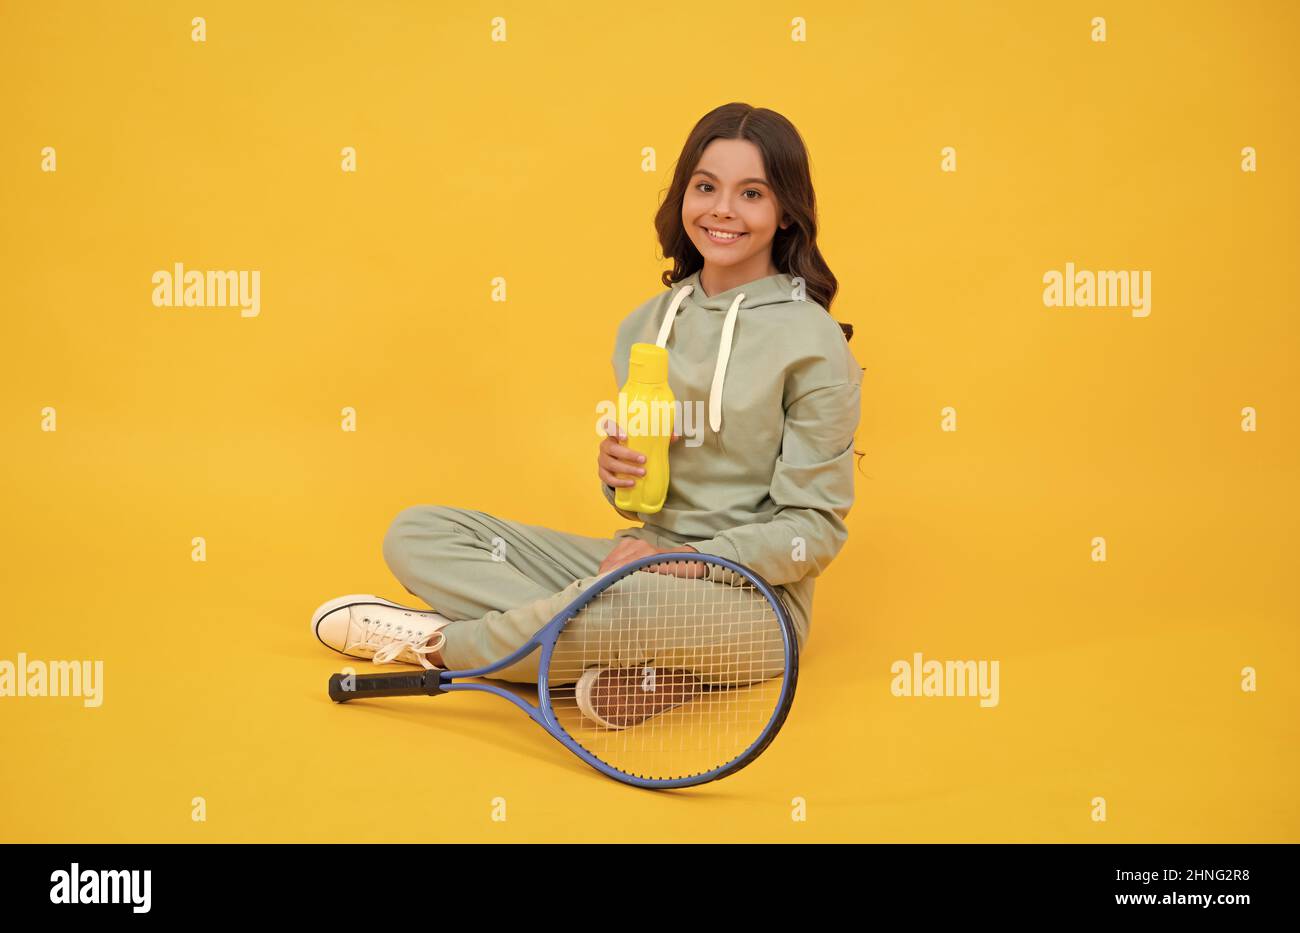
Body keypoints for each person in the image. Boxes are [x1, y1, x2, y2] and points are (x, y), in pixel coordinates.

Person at [311, 102, 863, 727]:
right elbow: (638, 506)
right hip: (633, 560)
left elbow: (812, 531)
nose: (722, 210)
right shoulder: (645, 325)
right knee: (417, 532)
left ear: (785, 211)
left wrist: (680, 563)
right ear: (683, 193)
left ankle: (437, 645)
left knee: (624, 607)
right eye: (705, 186)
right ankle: (635, 665)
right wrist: (616, 475)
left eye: (752, 193)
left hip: (752, 602)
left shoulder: (813, 342)